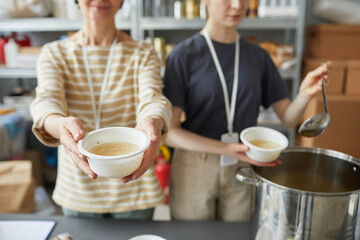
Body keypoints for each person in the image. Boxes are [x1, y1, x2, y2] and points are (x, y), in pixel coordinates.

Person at [163, 0, 330, 222]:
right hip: (196, 165)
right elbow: (170, 134)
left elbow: (289, 118)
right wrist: (226, 148)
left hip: (243, 165)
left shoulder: (258, 56)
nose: (236, 6)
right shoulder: (182, 55)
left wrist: (305, 94)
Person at [30, 0, 171, 219]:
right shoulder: (55, 52)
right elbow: (46, 102)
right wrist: (60, 124)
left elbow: (153, 99)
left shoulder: (142, 52)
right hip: (78, 190)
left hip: (134, 189)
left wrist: (153, 121)